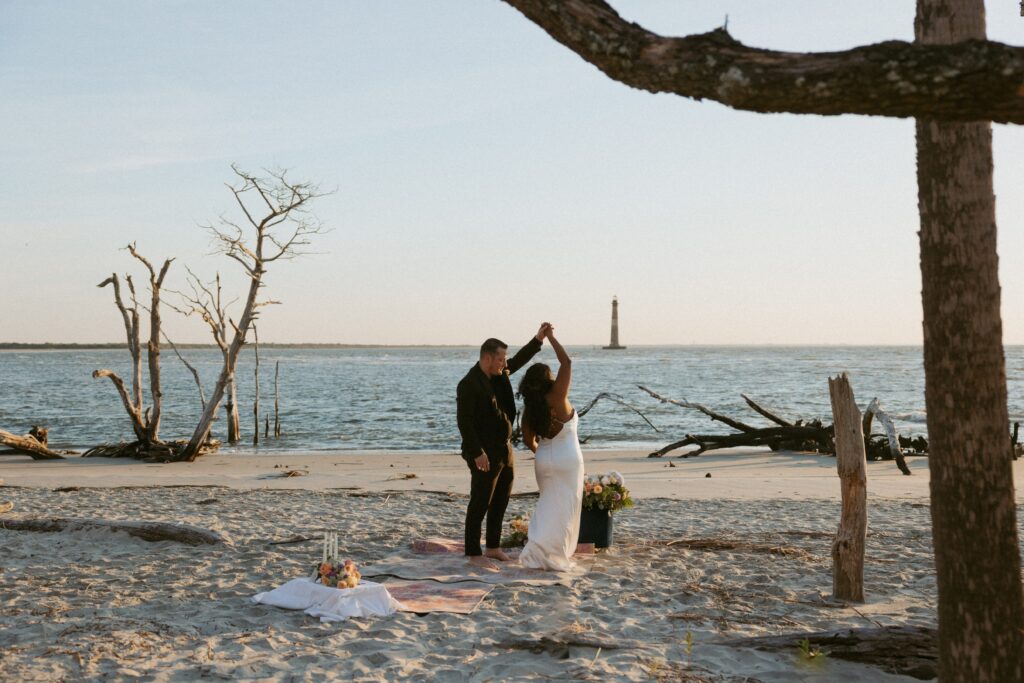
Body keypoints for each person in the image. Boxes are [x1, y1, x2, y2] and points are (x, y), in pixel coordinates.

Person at [457, 323, 550, 564]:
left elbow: (519, 359)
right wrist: (477, 452)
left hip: (504, 448)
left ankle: (493, 547)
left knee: (501, 498)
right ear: (488, 358)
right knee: (480, 500)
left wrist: (538, 339)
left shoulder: (500, 375)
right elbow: (464, 423)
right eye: (500, 359)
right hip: (482, 452)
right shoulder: (469, 384)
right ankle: (473, 553)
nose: (504, 363)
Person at [517, 326, 583, 571]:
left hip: (543, 459)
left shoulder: (529, 409)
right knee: (564, 509)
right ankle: (555, 553)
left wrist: (543, 452)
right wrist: (552, 337)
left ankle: (538, 548)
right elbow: (566, 361)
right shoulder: (558, 395)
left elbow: (527, 441)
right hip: (567, 458)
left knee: (547, 505)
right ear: (547, 378)